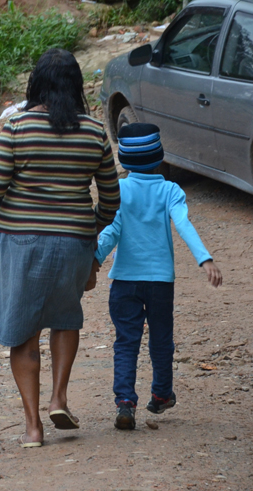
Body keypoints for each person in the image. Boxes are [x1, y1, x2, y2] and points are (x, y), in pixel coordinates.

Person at [0, 48, 120, 448]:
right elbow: (110, 200)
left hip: (22, 243)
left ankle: (33, 427)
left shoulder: (18, 127)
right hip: (74, 243)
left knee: (24, 332)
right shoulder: (94, 132)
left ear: (35, 83)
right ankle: (59, 398)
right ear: (76, 86)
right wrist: (89, 233)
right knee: (66, 318)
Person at [94, 123, 222, 431]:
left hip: (124, 280)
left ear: (123, 160)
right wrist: (204, 259)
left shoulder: (120, 190)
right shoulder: (170, 191)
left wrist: (93, 259)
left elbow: (111, 230)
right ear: (159, 157)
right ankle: (162, 394)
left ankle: (125, 403)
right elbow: (184, 225)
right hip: (160, 283)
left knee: (126, 342)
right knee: (162, 340)